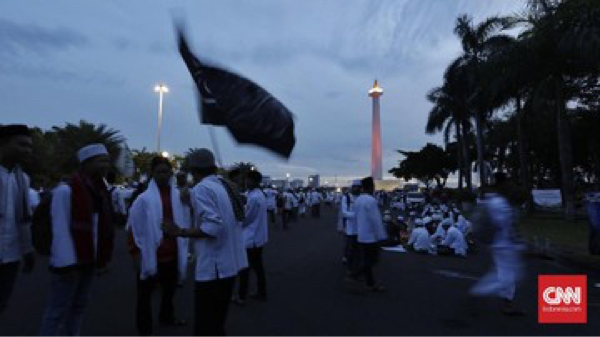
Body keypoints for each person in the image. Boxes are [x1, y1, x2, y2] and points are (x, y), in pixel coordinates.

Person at [163, 148, 247, 337]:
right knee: (217, 324)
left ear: (194, 170)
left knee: (205, 327)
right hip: (229, 265)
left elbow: (212, 227)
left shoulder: (202, 189)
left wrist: (181, 232)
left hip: (213, 268)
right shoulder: (225, 186)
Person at [39, 144, 115, 337]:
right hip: (69, 264)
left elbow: (101, 227)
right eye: (101, 161)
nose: (106, 165)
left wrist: (101, 259)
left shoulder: (99, 191)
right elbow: (60, 229)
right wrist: (67, 264)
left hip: (89, 260)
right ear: (86, 163)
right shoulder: (66, 191)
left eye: (107, 160)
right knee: (57, 311)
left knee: (79, 307)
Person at [127, 157, 190, 337]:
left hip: (172, 254)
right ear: (152, 174)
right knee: (144, 297)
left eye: (166, 171)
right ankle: (144, 329)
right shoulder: (143, 199)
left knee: (169, 292)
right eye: (159, 172)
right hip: (149, 254)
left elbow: (187, 217)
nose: (163, 175)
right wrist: (134, 253)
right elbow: (134, 228)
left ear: (171, 173)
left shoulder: (179, 196)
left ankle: (166, 317)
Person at [470, 172, 526, 316]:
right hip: (504, 243)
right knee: (511, 274)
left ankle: (505, 302)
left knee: (505, 272)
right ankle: (485, 293)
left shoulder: (492, 200)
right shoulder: (500, 203)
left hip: (498, 242)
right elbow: (506, 225)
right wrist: (518, 241)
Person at [0, 124, 35, 315]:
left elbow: (23, 218)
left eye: (30, 146)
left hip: (11, 254)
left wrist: (27, 250)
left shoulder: (23, 179)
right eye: (22, 145)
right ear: (3, 144)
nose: (27, 150)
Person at [235, 170, 268, 305]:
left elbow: (247, 218)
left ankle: (242, 296)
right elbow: (245, 199)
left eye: (247, 180)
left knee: (245, 268)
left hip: (251, 238)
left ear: (254, 181)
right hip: (256, 237)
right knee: (257, 267)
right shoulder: (256, 194)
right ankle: (261, 292)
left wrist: (236, 221)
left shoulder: (255, 198)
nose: (245, 182)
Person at [349, 177, 387, 292]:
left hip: (361, 235)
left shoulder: (358, 200)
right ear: (371, 187)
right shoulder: (371, 200)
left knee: (367, 260)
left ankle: (371, 284)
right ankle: (354, 275)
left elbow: (355, 218)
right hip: (371, 237)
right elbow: (376, 220)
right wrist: (381, 236)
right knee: (373, 260)